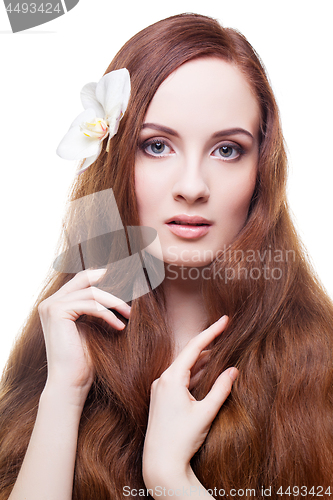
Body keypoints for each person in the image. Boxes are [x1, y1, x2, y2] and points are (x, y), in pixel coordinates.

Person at [1, 12, 333, 500]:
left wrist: (171, 480)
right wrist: (64, 394)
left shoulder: (321, 360)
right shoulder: (62, 353)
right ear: (114, 158)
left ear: (261, 169)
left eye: (227, 150)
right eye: (157, 146)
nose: (193, 187)